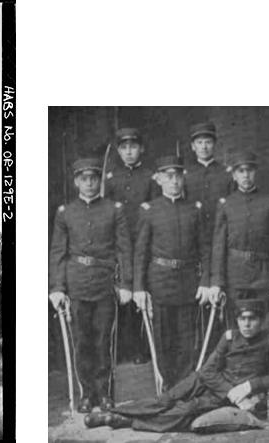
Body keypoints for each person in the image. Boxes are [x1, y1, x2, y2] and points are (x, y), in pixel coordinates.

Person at [85, 299, 269, 432]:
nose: (247, 324)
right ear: (237, 320)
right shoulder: (229, 337)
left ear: (261, 321)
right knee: (167, 399)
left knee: (187, 410)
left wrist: (249, 386)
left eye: (252, 319)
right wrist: (232, 390)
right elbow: (208, 370)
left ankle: (125, 421)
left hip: (225, 395)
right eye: (242, 319)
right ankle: (114, 413)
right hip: (207, 380)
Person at [49, 158, 133, 413]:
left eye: (93, 178)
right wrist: (57, 287)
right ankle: (87, 394)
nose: (89, 183)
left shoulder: (114, 209)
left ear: (99, 180)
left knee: (102, 342)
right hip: (76, 287)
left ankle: (104, 394)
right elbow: (57, 253)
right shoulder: (66, 213)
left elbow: (124, 249)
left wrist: (126, 283)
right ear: (76, 182)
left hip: (104, 286)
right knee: (81, 343)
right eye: (84, 178)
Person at [133, 155, 215, 392]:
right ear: (159, 179)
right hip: (160, 282)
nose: (174, 181)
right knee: (164, 339)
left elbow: (205, 250)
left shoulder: (194, 209)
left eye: (178, 176)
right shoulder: (149, 210)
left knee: (187, 338)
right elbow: (140, 253)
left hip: (188, 282)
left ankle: (185, 386)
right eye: (168, 176)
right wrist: (139, 287)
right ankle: (168, 386)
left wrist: (206, 281)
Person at [208, 151, 269, 331]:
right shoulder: (226, 204)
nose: (245, 175)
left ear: (255, 173)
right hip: (235, 274)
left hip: (263, 274)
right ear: (234, 175)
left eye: (249, 170)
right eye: (241, 171)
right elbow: (219, 247)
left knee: (263, 324)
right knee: (236, 324)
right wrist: (217, 282)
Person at [104, 127, 159, 365]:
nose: (128, 152)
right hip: (119, 247)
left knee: (143, 294)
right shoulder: (111, 179)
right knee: (121, 297)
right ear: (118, 150)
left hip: (144, 244)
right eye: (124, 147)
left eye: (133, 147)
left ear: (141, 149)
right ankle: (121, 349)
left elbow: (157, 211)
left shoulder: (150, 177)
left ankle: (141, 349)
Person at [184, 122, 233, 230]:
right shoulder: (186, 174)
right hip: (194, 231)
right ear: (193, 146)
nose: (204, 147)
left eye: (208, 142)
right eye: (199, 142)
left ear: (214, 144)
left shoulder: (226, 173)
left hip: (220, 229)